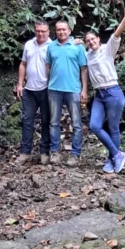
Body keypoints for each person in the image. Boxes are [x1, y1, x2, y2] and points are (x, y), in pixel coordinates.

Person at [85, 6, 125, 174]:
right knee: (94, 125)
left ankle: (113, 159)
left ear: (98, 39)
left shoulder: (108, 48)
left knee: (113, 128)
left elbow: (117, 33)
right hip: (99, 95)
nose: (91, 42)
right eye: (88, 41)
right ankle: (117, 154)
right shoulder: (87, 55)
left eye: (93, 39)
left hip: (113, 92)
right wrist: (75, 42)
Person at [45, 20, 88, 167]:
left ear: (69, 31)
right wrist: (50, 82)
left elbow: (84, 69)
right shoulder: (51, 47)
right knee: (54, 123)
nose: (61, 32)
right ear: (55, 31)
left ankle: (75, 155)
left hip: (73, 89)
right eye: (58, 30)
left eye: (64, 29)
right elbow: (48, 66)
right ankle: (55, 152)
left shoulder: (77, 46)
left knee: (76, 123)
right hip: (54, 89)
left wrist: (84, 89)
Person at [14, 20, 52, 166]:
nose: (40, 33)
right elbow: (23, 64)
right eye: (38, 31)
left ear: (48, 32)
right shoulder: (29, 44)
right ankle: (25, 152)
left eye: (43, 31)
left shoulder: (52, 46)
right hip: (29, 90)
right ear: (35, 30)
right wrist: (20, 84)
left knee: (46, 122)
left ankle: (44, 152)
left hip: (46, 90)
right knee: (27, 121)